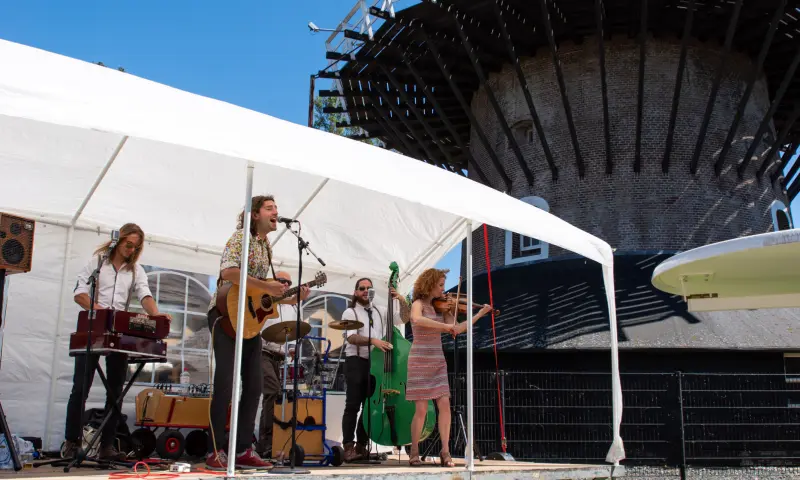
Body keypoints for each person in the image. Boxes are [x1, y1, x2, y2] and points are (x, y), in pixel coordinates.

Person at [205, 195, 309, 470]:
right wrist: (265, 286)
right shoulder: (241, 238)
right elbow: (228, 272)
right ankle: (214, 450)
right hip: (225, 315)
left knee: (255, 387)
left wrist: (290, 299)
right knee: (225, 384)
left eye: (276, 208)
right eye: (270, 208)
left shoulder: (266, 248)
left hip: (248, 323)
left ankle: (241, 450)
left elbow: (260, 297)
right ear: (255, 215)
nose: (276, 211)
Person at [64, 223, 171, 461]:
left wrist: (156, 315)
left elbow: (145, 295)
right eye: (128, 245)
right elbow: (79, 293)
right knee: (80, 388)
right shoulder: (96, 264)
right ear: (118, 241)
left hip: (118, 334)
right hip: (93, 328)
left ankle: (107, 447)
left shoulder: (136, 270)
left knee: (115, 393)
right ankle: (72, 443)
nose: (131, 250)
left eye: (136, 247)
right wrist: (101, 312)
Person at [406, 268, 492, 467]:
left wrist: (479, 313)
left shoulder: (441, 308)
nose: (444, 290)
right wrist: (445, 327)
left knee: (444, 405)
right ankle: (414, 451)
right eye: (440, 285)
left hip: (437, 360)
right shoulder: (417, 304)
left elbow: (458, 328)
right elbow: (417, 320)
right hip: (419, 359)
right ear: (429, 285)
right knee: (421, 410)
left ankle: (445, 451)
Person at [340, 277, 410, 462]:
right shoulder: (350, 312)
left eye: (368, 288)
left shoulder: (380, 310)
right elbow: (351, 338)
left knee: (370, 405)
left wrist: (402, 300)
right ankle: (348, 446)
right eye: (361, 288)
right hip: (356, 360)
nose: (365, 291)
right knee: (353, 405)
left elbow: (404, 318)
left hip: (375, 364)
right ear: (356, 292)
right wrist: (373, 341)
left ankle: (362, 446)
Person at [257, 270, 307, 459]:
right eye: (281, 281)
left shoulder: (293, 308)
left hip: (280, 357)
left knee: (278, 397)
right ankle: (266, 442)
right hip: (262, 353)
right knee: (273, 392)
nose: (285, 284)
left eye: (288, 282)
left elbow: (294, 331)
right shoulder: (266, 299)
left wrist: (292, 348)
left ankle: (274, 442)